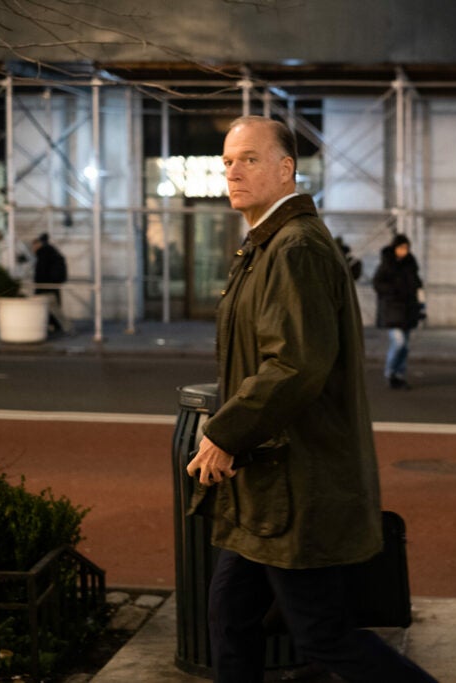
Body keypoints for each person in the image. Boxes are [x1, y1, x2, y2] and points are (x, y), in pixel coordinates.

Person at [185, 116, 437, 683]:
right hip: (269, 485)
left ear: (285, 168)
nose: (232, 171)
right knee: (230, 618)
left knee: (323, 636)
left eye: (248, 159)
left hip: (296, 483)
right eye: (227, 161)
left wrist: (226, 433)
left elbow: (296, 364)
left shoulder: (293, 248)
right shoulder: (268, 243)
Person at [372, 233, 423, 390]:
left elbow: (418, 285)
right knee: (399, 342)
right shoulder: (387, 264)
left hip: (408, 309)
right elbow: (377, 284)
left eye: (406, 248)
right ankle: (390, 372)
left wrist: (421, 304)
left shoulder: (410, 265)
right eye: (401, 247)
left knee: (405, 345)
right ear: (395, 248)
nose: (404, 251)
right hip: (392, 309)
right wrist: (394, 291)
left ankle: (399, 374)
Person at [32, 233, 71, 334]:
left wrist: (38, 286)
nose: (33, 249)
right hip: (53, 285)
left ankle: (67, 328)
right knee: (54, 308)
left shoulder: (42, 253)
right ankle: (58, 326)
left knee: (48, 308)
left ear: (38, 244)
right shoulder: (53, 251)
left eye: (33, 246)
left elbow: (40, 271)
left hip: (44, 286)